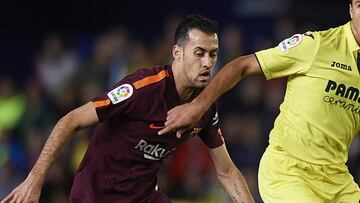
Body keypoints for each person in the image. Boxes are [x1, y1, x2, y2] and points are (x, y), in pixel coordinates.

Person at [1, 14, 254, 203]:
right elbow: (70, 120)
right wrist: (34, 180)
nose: (208, 63)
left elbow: (227, 171)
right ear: (177, 52)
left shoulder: (203, 107)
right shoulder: (142, 88)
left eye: (213, 54)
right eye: (199, 53)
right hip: (95, 196)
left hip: (143, 197)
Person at [159, 2, 360, 203]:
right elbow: (242, 66)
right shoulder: (317, 45)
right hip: (289, 173)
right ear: (350, 9)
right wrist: (197, 106)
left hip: (337, 178)